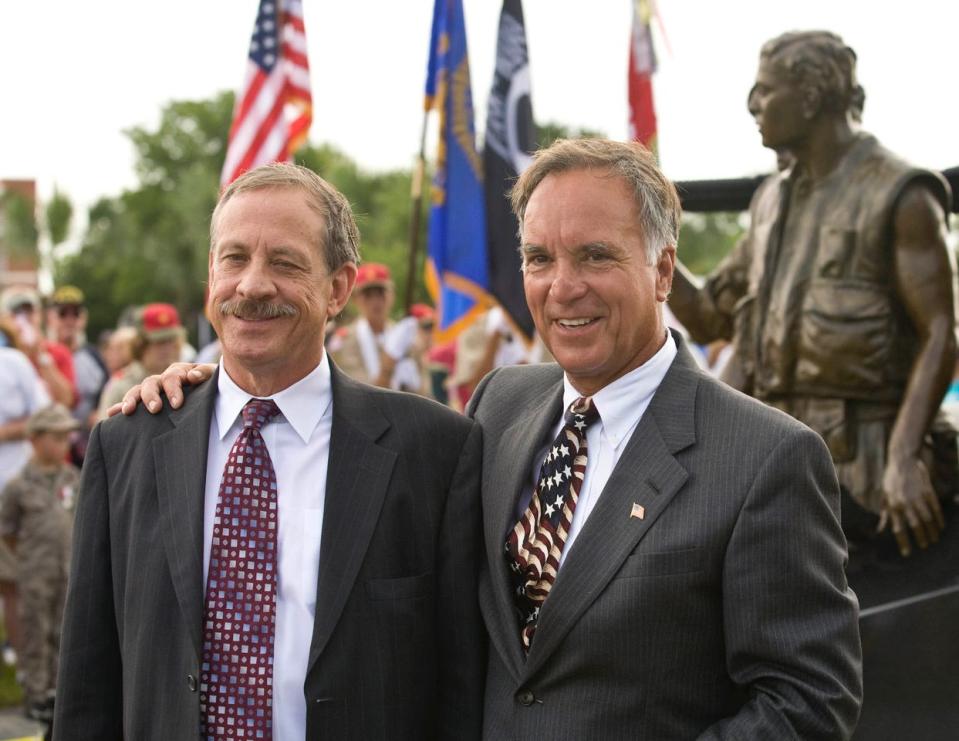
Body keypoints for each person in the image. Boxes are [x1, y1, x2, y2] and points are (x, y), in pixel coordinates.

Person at [125, 140, 864, 739]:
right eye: (539, 258)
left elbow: (807, 699)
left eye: (595, 256)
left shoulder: (764, 457)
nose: (561, 285)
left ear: (663, 268)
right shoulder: (499, 408)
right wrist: (207, 391)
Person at [55, 162, 484, 740]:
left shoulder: (434, 451)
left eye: (284, 262)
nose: (252, 286)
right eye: (234, 259)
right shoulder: (128, 443)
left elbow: (461, 688)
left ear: (338, 289)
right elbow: (88, 678)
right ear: (211, 275)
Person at [668, 31, 957, 559]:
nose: (752, 104)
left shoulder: (901, 193)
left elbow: (941, 331)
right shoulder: (770, 202)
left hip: (866, 471)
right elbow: (710, 319)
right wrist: (649, 246)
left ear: (811, 95)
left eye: (765, 90)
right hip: (775, 462)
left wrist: (904, 455)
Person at [0, 404, 80, 723]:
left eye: (66, 437)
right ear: (34, 440)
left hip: (68, 566)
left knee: (65, 630)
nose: (63, 444)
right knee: (36, 630)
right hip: (35, 568)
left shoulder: (72, 476)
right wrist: (24, 559)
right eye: (55, 437)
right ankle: (36, 692)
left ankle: (61, 690)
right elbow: (7, 530)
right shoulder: (19, 485)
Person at [48, 285, 108, 464]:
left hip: (87, 449)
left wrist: (99, 412)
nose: (69, 320)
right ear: (50, 317)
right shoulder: (42, 355)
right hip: (52, 446)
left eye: (75, 314)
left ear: (84, 318)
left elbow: (106, 392)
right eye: (63, 314)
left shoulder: (93, 357)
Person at [96, 302, 186, 419]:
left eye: (172, 340)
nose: (167, 348)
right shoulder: (120, 386)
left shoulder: (185, 380)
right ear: (141, 345)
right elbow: (104, 432)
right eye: (159, 342)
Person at [1, 287, 76, 409]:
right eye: (17, 313)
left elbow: (67, 401)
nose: (24, 319)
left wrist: (41, 355)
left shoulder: (59, 352)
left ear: (39, 315)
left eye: (29, 311)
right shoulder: (3, 358)